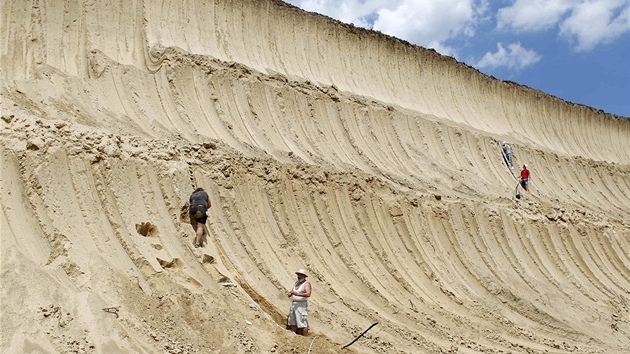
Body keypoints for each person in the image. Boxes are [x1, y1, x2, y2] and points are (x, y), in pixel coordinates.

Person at [287, 269, 311, 336]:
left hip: (301, 304)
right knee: (292, 321)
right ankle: (293, 336)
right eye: (298, 275)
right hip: (294, 303)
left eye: (300, 275)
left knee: (302, 322)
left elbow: (308, 294)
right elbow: (292, 291)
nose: (298, 276)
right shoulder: (297, 283)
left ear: (303, 276)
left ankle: (305, 338)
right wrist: (290, 293)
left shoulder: (306, 284)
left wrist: (298, 294)